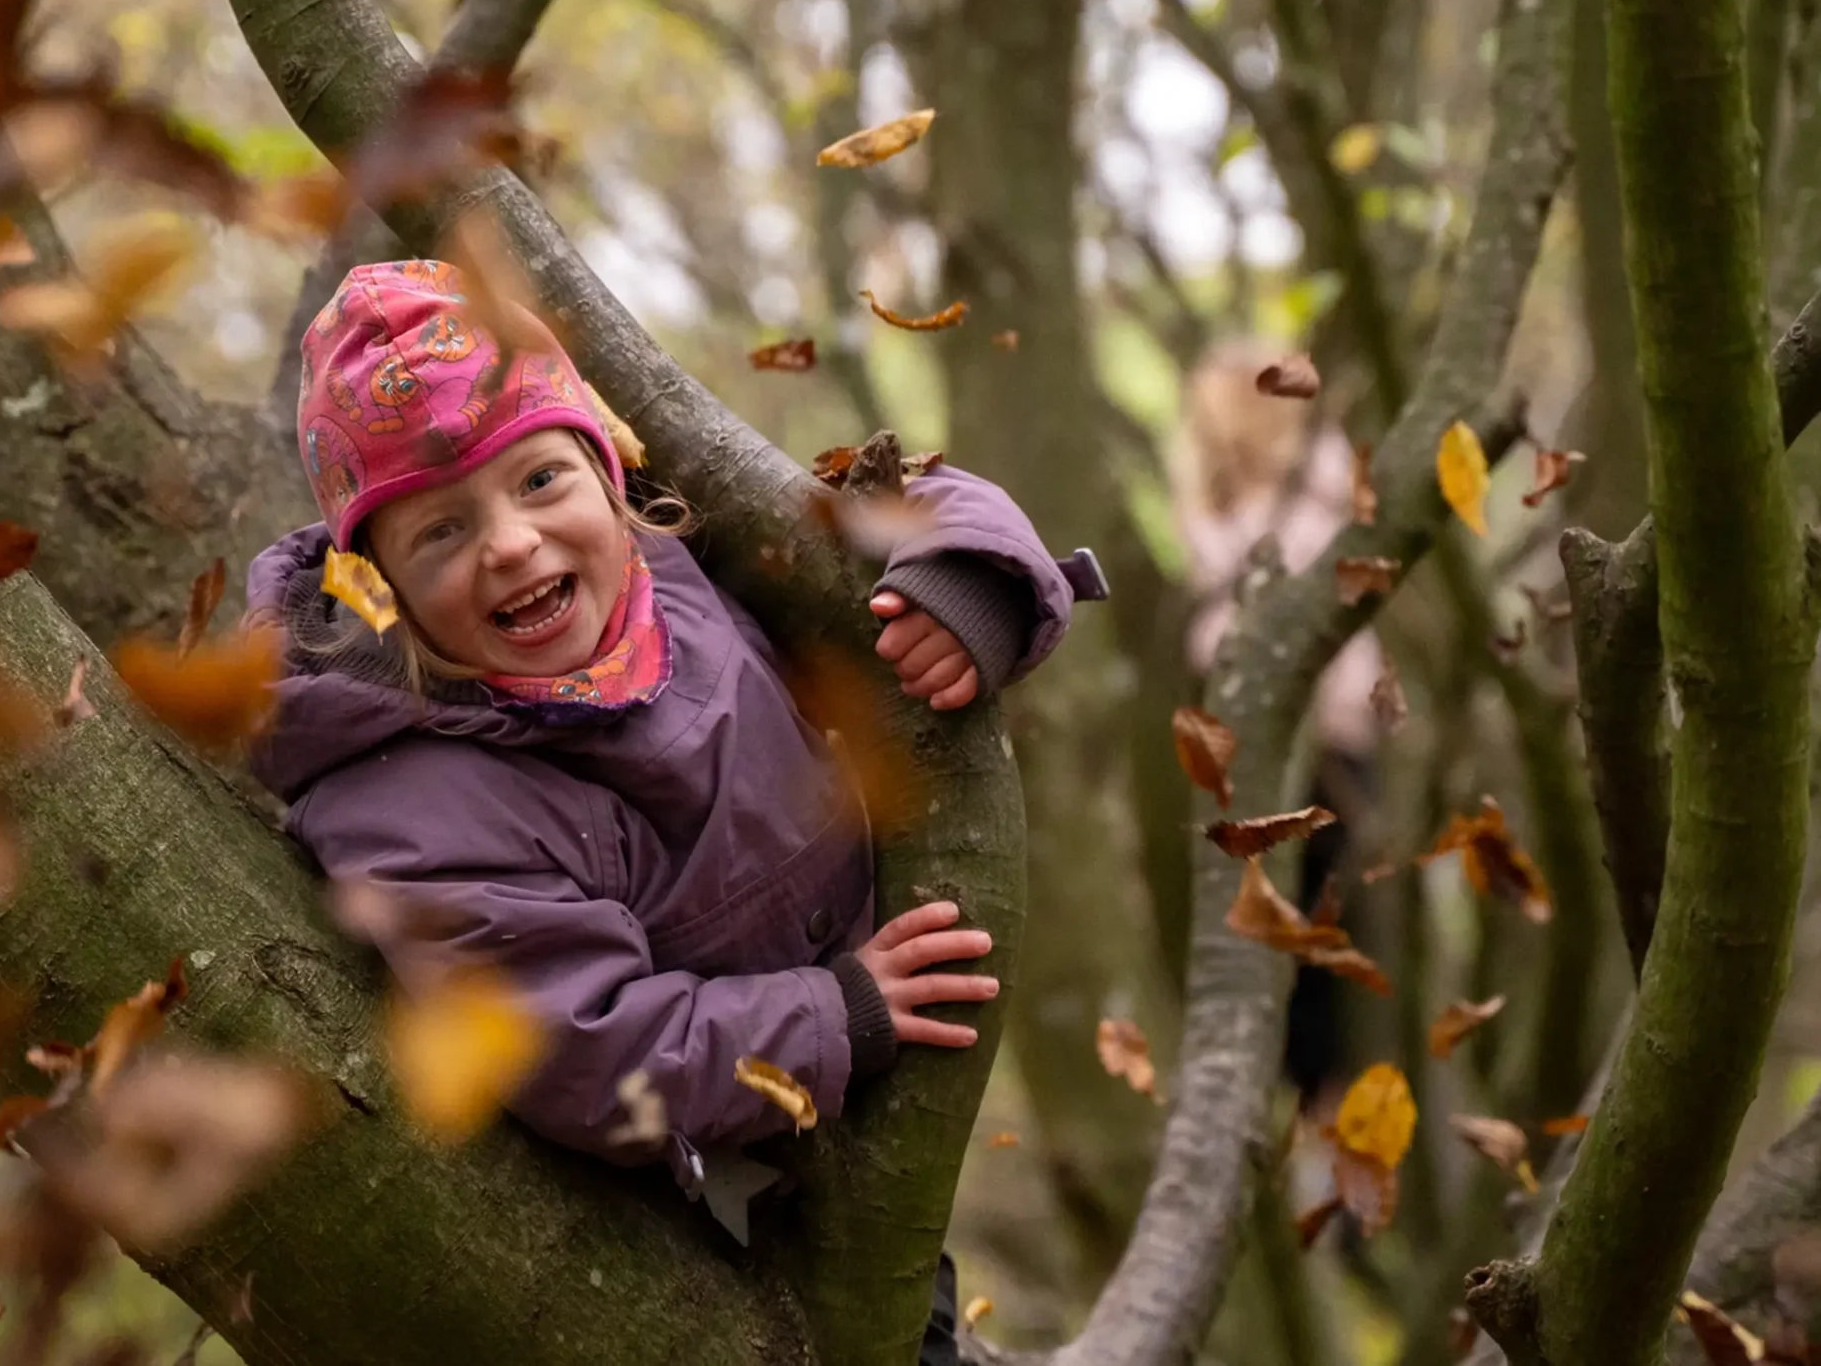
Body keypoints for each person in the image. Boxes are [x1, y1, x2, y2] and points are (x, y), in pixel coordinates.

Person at [244, 261, 1102, 1266]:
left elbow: (900, 498)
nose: (512, 544)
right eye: (442, 530)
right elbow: (585, 1047)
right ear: (380, 588)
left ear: (607, 474)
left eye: (538, 480)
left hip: (876, 1122)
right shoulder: (411, 797)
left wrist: (969, 589)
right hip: (736, 1218)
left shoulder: (687, 546)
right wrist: (834, 1013)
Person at [1170, 340, 1386, 1103]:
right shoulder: (1224, 505)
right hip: (1275, 736)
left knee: (1321, 930)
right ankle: (1300, 1104)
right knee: (1286, 931)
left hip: (1326, 733)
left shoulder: (1315, 483)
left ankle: (1321, 1107)